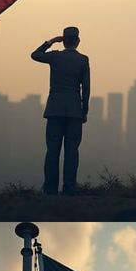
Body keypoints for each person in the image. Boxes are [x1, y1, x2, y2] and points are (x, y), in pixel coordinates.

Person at [32, 29, 91, 195]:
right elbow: (86, 88)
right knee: (72, 151)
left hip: (55, 109)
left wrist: (50, 41)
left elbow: (35, 55)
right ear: (78, 41)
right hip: (74, 110)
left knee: (52, 150)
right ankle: (69, 188)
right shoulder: (82, 60)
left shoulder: (55, 57)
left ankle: (50, 189)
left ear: (63, 41)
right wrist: (84, 110)